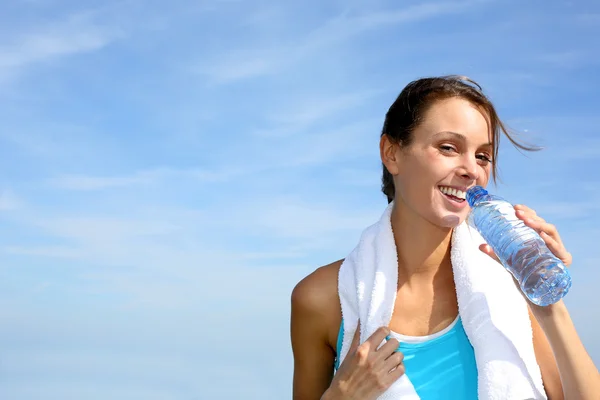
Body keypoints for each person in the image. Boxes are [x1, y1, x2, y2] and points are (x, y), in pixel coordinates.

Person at [290, 75, 600, 400]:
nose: (471, 169)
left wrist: (547, 299)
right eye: (448, 147)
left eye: (483, 156)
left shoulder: (507, 287)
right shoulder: (322, 300)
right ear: (391, 153)